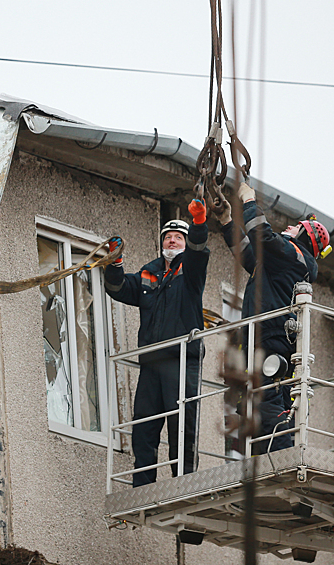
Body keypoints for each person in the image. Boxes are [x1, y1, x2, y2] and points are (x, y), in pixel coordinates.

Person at [213, 181, 330, 454]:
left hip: (271, 340)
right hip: (260, 338)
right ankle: (260, 458)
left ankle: (282, 455)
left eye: (294, 226)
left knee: (266, 401)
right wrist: (227, 220)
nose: (287, 228)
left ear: (305, 235)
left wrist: (250, 201)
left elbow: (261, 236)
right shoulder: (281, 262)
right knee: (251, 404)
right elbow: (247, 251)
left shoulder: (296, 256)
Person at [105, 189, 210, 487]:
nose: (172, 240)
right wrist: (113, 263)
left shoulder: (190, 271)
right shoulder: (149, 275)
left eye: (178, 237)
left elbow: (200, 248)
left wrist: (199, 220)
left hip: (180, 362)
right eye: (167, 237)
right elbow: (119, 289)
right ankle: (143, 486)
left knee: (181, 428)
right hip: (151, 364)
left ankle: (184, 485)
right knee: (144, 429)